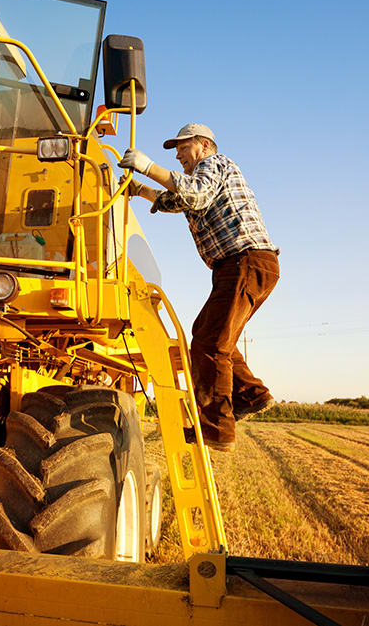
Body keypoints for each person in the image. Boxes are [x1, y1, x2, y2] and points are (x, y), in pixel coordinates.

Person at [119, 123, 279, 452]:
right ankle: (252, 395)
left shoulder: (215, 165)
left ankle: (218, 429)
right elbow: (179, 202)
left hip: (244, 261)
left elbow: (193, 194)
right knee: (207, 333)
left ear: (204, 146)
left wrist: (149, 167)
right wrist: (140, 190)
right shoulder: (204, 176)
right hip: (239, 266)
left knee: (210, 344)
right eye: (175, 150)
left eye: (182, 147)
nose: (177, 154)